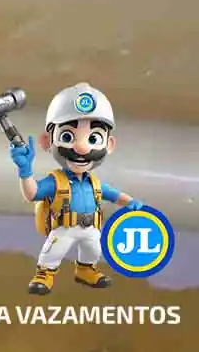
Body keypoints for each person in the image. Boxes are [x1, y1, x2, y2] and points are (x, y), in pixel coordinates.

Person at [10, 82, 144, 295]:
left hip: (91, 227)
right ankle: (45, 274)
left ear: (109, 145)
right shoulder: (56, 181)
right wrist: (25, 170)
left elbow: (115, 195)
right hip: (64, 227)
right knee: (53, 252)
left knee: (93, 249)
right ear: (47, 141)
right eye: (67, 137)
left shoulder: (95, 184)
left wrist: (131, 203)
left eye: (93, 138)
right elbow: (32, 193)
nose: (82, 148)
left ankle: (85, 270)